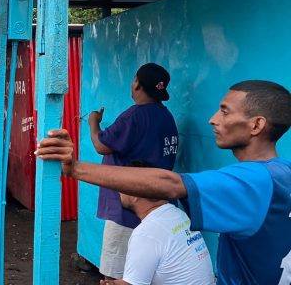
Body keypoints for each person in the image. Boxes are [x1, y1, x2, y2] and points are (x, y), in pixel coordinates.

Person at [37, 80, 291, 285]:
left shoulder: (254, 181)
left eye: (224, 111)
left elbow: (171, 184)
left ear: (257, 125)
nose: (213, 119)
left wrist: (75, 168)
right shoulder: (282, 172)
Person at [88, 63, 178, 280]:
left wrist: (93, 123)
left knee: (115, 274)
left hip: (127, 207)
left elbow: (102, 145)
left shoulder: (134, 116)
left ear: (137, 84)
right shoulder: (166, 117)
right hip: (156, 207)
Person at [99, 161, 215, 285]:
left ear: (134, 193)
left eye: (122, 186)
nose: (118, 191)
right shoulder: (177, 214)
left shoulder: (146, 233)